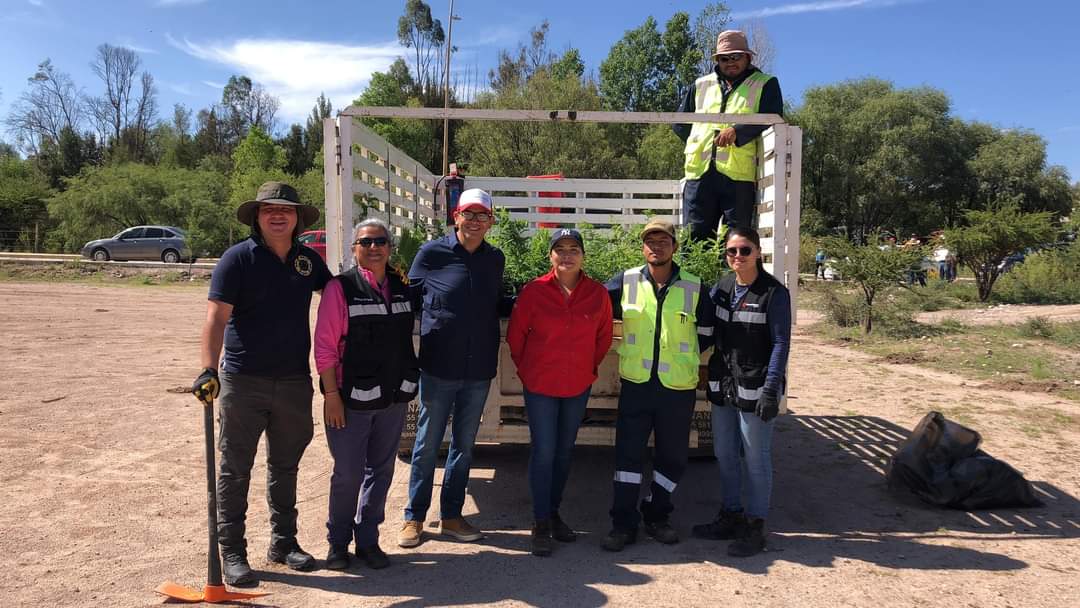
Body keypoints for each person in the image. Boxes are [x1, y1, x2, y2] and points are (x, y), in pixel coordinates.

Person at [192, 181, 331, 586]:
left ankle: (283, 543)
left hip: (292, 381)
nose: (277, 215)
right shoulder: (237, 260)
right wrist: (209, 369)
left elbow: (337, 294)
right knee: (235, 469)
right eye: (268, 209)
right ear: (256, 216)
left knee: (286, 466)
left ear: (297, 219)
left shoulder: (308, 261)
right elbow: (215, 319)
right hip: (243, 380)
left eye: (285, 210)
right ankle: (232, 550)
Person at [399, 188, 506, 548]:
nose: (475, 221)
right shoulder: (431, 254)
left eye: (482, 216)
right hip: (438, 367)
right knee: (427, 444)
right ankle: (413, 517)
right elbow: (408, 300)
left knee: (464, 446)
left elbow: (496, 302)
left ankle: (451, 516)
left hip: (478, 369)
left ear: (491, 222)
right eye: (469, 214)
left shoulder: (495, 259)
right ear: (455, 216)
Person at [601, 218, 715, 552]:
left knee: (673, 458)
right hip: (637, 383)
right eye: (650, 241)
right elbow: (592, 304)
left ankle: (656, 515)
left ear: (674, 246)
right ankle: (623, 524)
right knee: (627, 457)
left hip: (677, 388)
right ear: (642, 247)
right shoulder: (626, 280)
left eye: (663, 240)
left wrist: (683, 359)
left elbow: (707, 333)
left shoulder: (695, 287)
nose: (656, 246)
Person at [314, 218, 418, 571]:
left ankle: (368, 540)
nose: (373, 248)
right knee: (348, 473)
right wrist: (331, 396)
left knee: (382, 471)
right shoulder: (339, 289)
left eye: (380, 242)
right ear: (354, 249)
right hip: (349, 402)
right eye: (365, 242)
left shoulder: (401, 288)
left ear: (389, 248)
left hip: (391, 399)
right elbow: (325, 349)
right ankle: (338, 543)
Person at [507, 228, 614, 557]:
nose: (567, 255)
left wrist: (587, 370)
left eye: (573, 249)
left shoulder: (597, 294)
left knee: (565, 451)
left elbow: (603, 337)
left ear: (583, 255)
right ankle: (540, 522)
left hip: (576, 385)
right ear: (551, 255)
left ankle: (553, 514)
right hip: (540, 385)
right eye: (560, 249)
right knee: (544, 450)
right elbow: (516, 336)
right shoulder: (534, 291)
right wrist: (527, 370)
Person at [692, 226, 791, 557]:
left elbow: (780, 343)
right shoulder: (721, 288)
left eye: (744, 250)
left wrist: (771, 389)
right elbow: (706, 334)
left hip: (757, 386)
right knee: (724, 453)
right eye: (732, 251)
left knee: (756, 459)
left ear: (758, 253)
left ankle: (755, 525)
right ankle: (731, 514)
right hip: (725, 383)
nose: (737, 257)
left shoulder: (773, 293)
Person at [674, 30, 783, 241]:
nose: (730, 62)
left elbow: (773, 117)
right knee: (693, 240)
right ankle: (695, 275)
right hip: (699, 174)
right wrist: (700, 141)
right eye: (725, 58)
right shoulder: (699, 85)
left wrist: (737, 131)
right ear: (717, 60)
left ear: (748, 57)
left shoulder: (765, 83)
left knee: (736, 240)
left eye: (736, 57)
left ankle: (732, 277)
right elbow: (679, 124)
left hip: (738, 176)